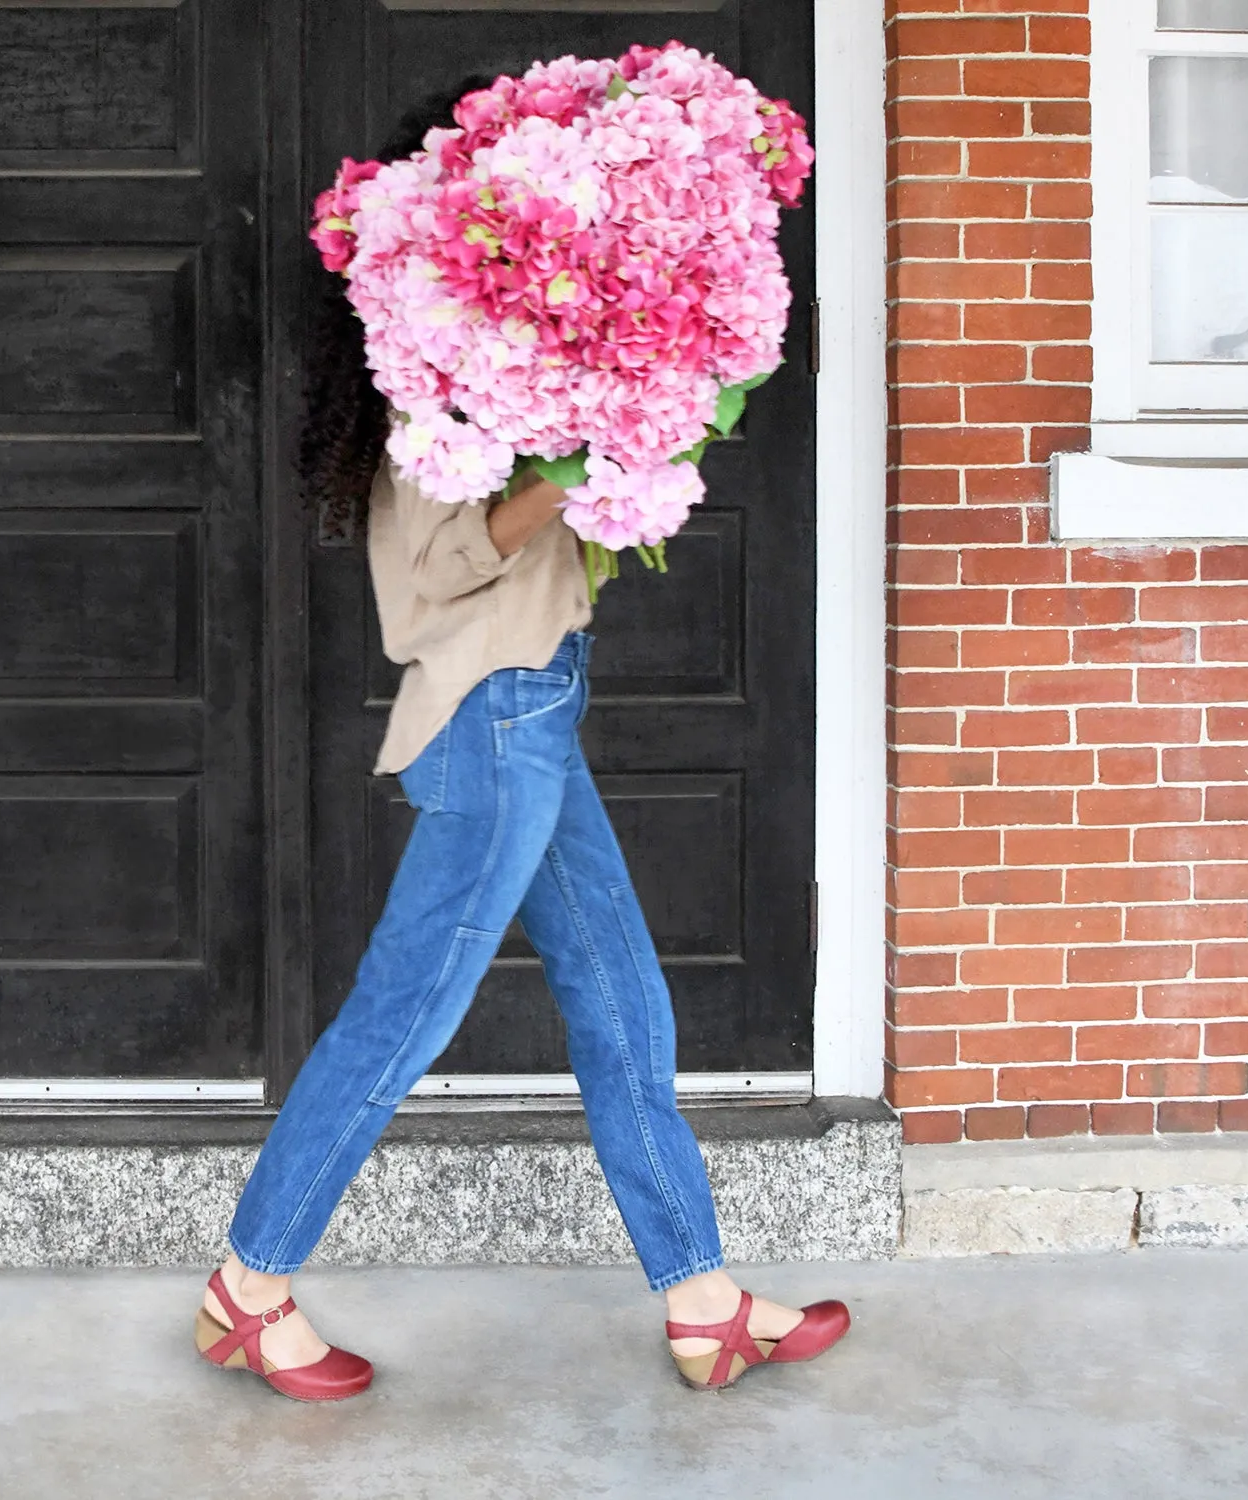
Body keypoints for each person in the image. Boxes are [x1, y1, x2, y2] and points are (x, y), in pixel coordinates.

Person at [193, 83, 851, 1401]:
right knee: (401, 1018)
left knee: (624, 1010)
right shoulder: (421, 408)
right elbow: (424, 587)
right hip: (491, 724)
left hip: (536, 707)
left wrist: (630, 401)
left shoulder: (503, 386)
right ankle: (248, 1287)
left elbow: (572, 536)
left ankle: (702, 1300)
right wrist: (578, 462)